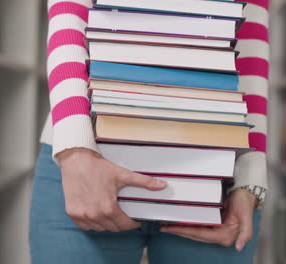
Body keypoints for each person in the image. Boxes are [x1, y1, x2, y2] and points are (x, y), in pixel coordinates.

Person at [30, 0, 269, 263]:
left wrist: (250, 179)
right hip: (85, 165)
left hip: (216, 175)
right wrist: (75, 153)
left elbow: (249, 36)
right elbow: (68, 16)